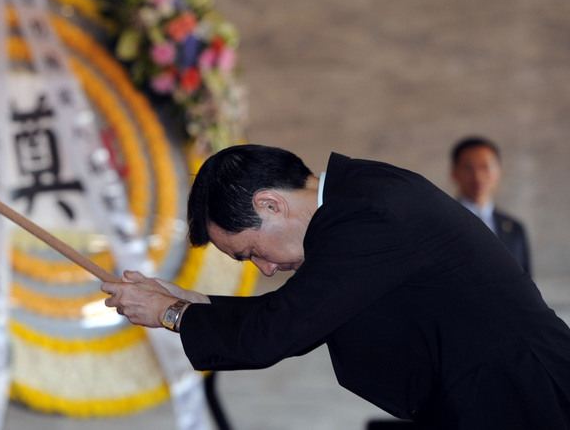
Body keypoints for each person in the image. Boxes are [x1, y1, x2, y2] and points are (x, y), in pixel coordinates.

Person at [102, 144, 570, 429]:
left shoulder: (366, 215)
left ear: (269, 204)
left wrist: (172, 314)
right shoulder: (355, 197)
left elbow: (280, 330)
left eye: (251, 252)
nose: (264, 270)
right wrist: (191, 302)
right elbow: (305, 313)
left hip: (527, 400)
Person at [451, 136, 531, 274]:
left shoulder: (514, 229)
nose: (478, 176)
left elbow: (527, 284)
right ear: (454, 173)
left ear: (498, 171)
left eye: (485, 167)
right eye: (468, 168)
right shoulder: (443, 222)